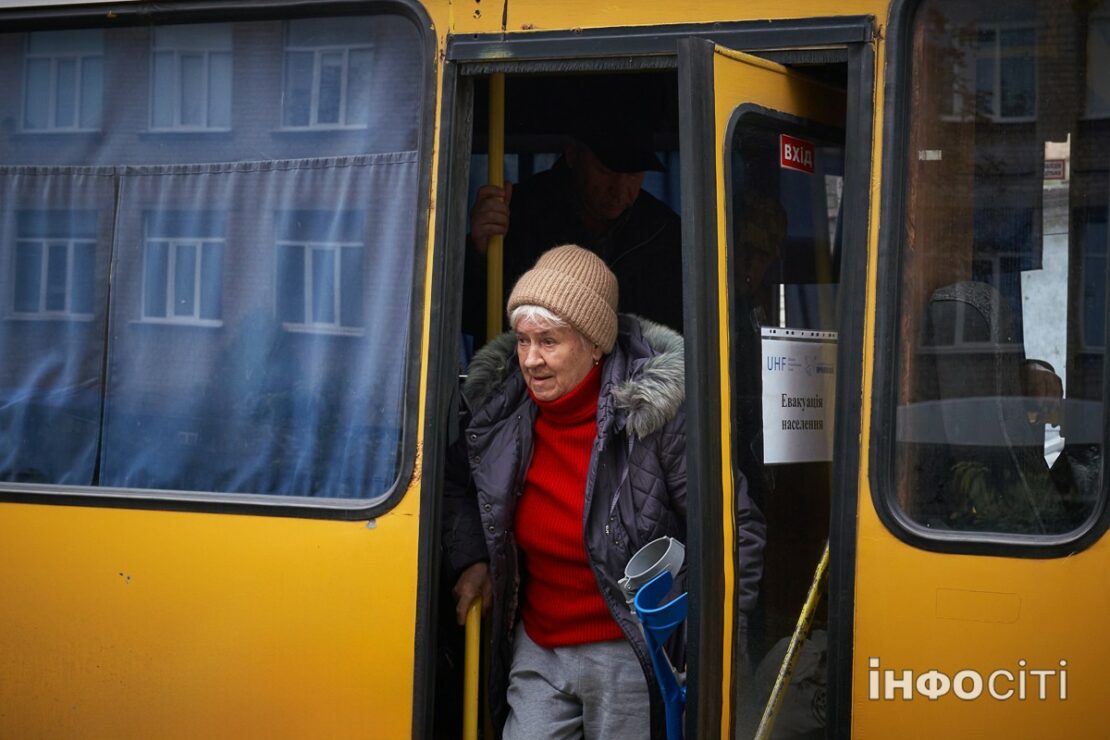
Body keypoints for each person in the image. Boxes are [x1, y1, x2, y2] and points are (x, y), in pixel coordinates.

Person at [442, 245, 693, 739]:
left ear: (595, 345)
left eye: (549, 342)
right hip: (538, 643)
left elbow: (735, 527)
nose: (531, 360)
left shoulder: (659, 416)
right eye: (522, 341)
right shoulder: (499, 409)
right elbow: (456, 487)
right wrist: (474, 559)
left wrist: (716, 648)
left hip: (630, 650)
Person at [463, 127, 683, 339]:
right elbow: (468, 318)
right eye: (606, 170)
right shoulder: (515, 215)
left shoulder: (663, 231)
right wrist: (479, 255)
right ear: (572, 154)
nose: (619, 189)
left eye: (634, 174)